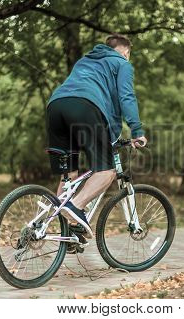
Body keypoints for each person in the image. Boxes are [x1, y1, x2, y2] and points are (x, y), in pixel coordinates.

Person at [46, 34, 147, 242]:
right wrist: (136, 131)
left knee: (70, 174)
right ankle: (76, 207)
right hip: (85, 107)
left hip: (55, 107)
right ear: (125, 52)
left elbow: (100, 98)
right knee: (107, 171)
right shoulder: (122, 64)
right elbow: (125, 96)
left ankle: (56, 230)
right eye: (129, 54)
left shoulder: (85, 61)